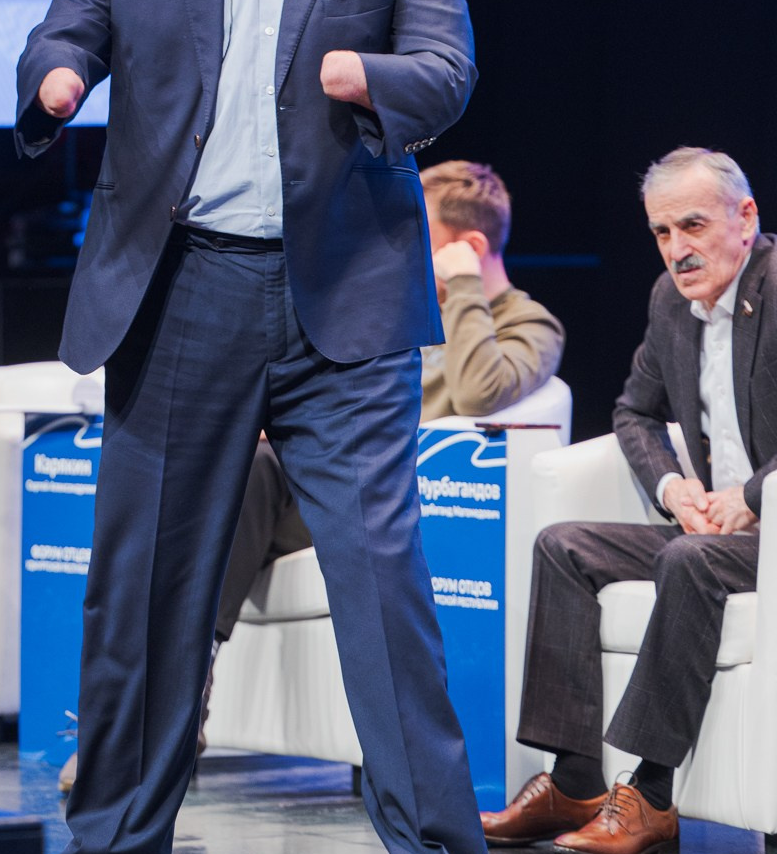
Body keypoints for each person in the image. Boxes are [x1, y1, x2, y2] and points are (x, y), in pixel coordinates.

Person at [17, 0, 501, 854]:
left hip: (339, 297)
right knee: (146, 591)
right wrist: (56, 76)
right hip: (182, 292)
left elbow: (445, 70)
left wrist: (365, 77)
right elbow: (65, 27)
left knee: (382, 588)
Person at [482, 146, 777, 854]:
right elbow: (633, 412)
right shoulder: (671, 301)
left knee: (688, 559)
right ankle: (574, 781)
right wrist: (672, 488)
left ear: (744, 218)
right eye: (661, 233)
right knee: (563, 546)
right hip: (716, 533)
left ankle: (651, 796)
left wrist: (749, 497)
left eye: (692, 226)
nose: (676, 249)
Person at [207, 158, 566, 679]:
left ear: (471, 247)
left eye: (421, 237)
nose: (406, 252)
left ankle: (194, 658)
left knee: (252, 479)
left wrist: (465, 286)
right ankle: (193, 665)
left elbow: (479, 391)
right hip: (342, 480)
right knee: (244, 462)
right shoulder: (404, 310)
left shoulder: (530, 324)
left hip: (411, 502)